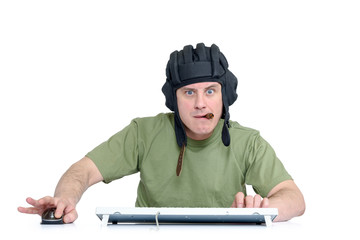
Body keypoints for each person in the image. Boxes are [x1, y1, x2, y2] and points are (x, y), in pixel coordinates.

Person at [18, 43, 305, 223]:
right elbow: (83, 170)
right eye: (189, 92)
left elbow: (294, 198)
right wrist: (66, 198)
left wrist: (264, 208)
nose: (200, 103)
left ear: (225, 95)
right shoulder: (144, 133)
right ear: (174, 98)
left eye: (210, 91)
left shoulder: (248, 143)